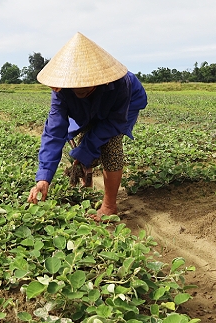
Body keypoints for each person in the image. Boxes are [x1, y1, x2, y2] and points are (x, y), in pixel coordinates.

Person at [27, 32, 147, 219]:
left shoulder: (120, 83)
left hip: (126, 105)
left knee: (110, 143)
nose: (80, 88)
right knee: (80, 139)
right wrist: (43, 177)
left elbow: (113, 123)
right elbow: (54, 131)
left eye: (86, 84)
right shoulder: (62, 90)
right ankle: (86, 171)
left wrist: (86, 150)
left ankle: (109, 206)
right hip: (91, 107)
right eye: (75, 85)